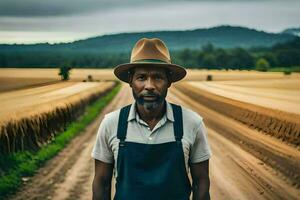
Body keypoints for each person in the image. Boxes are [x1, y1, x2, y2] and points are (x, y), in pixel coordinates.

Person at [91, 38, 212, 200]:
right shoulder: (111, 123)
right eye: (141, 77)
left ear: (169, 81)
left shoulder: (192, 123)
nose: (149, 85)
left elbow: (201, 182)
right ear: (130, 81)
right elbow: (101, 182)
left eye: (157, 77)